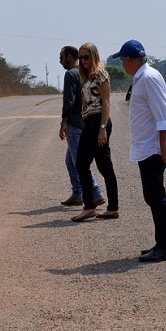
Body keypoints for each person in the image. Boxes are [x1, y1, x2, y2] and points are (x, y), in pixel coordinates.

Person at [111, 39, 166, 262]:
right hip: (148, 146)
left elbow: (163, 116)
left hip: (153, 148)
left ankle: (165, 246)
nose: (122, 65)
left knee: (155, 196)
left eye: (122, 61)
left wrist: (164, 147)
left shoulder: (148, 78)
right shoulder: (142, 78)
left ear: (130, 60)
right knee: (154, 196)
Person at [71, 42, 119, 222]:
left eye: (86, 56)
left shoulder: (100, 74)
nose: (83, 60)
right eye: (80, 57)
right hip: (90, 122)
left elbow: (106, 102)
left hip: (98, 122)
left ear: (94, 56)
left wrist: (103, 129)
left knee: (82, 163)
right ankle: (112, 208)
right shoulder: (88, 76)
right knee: (104, 166)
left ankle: (89, 206)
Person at [59, 46, 105, 207]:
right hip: (86, 121)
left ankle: (96, 192)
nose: (60, 61)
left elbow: (69, 100)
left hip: (75, 123)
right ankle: (77, 193)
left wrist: (64, 122)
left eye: (62, 58)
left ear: (70, 57)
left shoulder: (70, 74)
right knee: (70, 160)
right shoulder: (83, 72)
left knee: (79, 161)